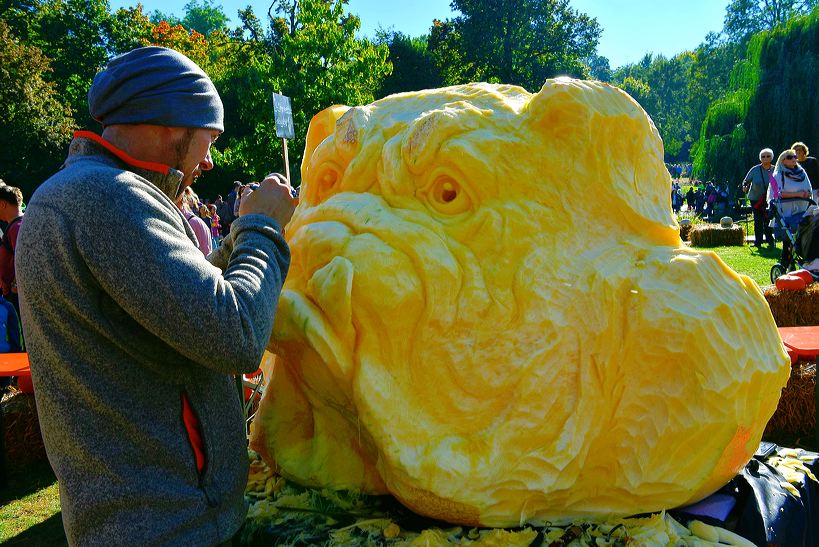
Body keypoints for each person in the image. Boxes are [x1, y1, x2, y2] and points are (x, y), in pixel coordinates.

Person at [15, 46, 296, 545]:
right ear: (171, 124)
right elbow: (235, 334)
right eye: (207, 141)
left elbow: (172, 306)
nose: (208, 162)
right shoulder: (105, 197)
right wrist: (261, 228)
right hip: (170, 526)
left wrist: (232, 242)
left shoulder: (86, 192)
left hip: (155, 520)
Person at [768, 148, 813, 265]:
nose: (794, 159)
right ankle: (786, 263)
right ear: (783, 161)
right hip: (786, 211)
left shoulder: (802, 173)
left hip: (801, 210)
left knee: (803, 237)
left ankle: (803, 261)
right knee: (788, 239)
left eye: (795, 157)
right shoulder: (778, 175)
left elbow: (809, 189)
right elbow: (776, 194)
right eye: (790, 157)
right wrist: (797, 194)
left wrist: (807, 194)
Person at [0, 185, 24, 324]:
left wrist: (15, 285)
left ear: (2, 204)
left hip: (15, 295)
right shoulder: (20, 224)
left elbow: (21, 258)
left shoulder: (16, 227)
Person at [742, 148, 776, 247]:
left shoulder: (775, 169)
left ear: (772, 158)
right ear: (760, 158)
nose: (765, 158)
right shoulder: (755, 169)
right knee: (758, 220)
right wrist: (745, 186)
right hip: (755, 199)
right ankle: (758, 242)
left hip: (769, 199)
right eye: (763, 156)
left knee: (768, 219)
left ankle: (770, 241)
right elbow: (746, 181)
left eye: (768, 156)